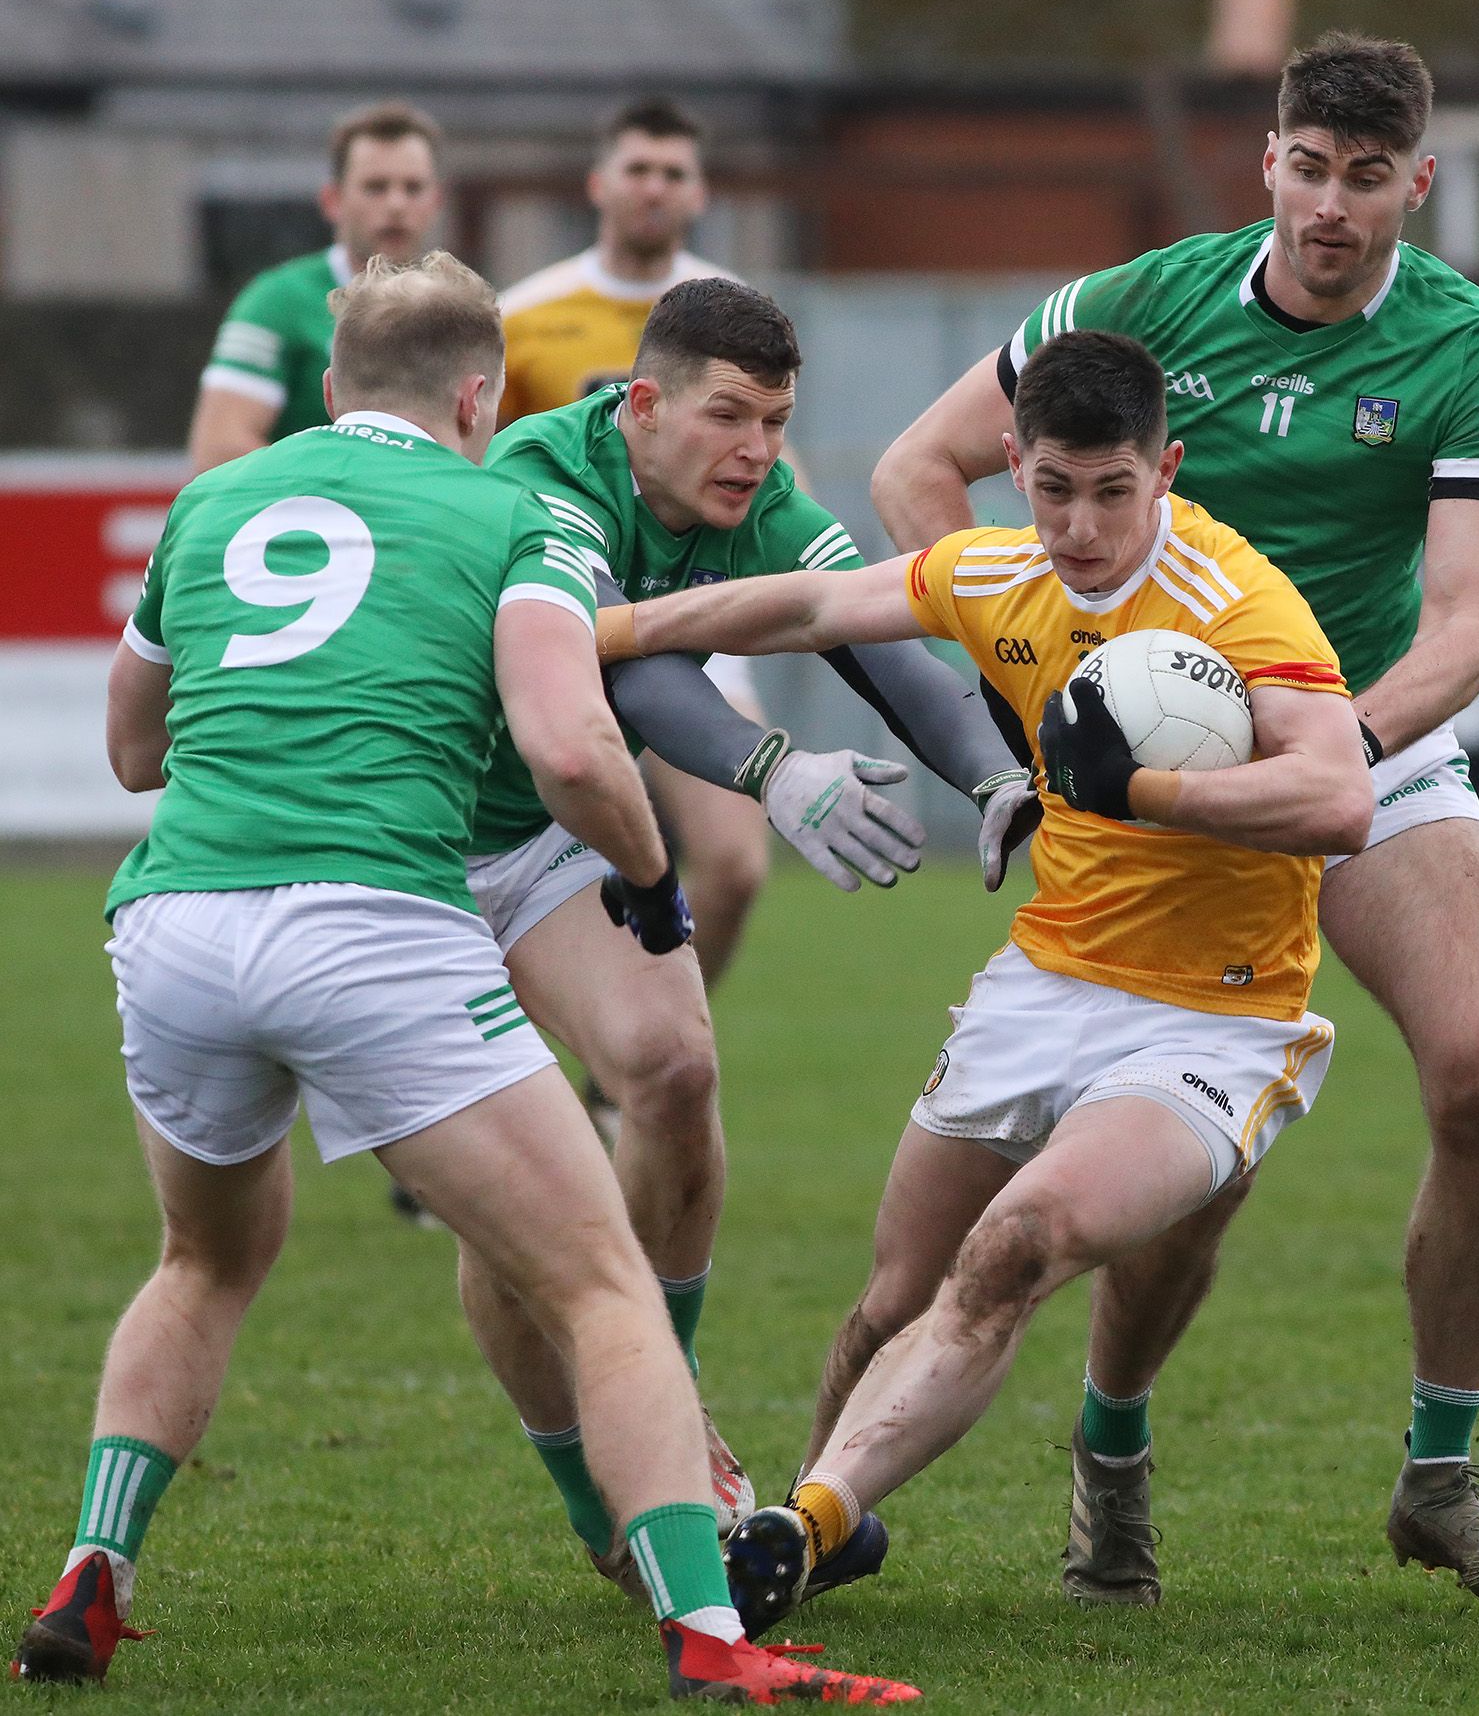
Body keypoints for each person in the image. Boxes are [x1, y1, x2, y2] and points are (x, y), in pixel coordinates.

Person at [12, 253, 915, 1704]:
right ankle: (713, 1640)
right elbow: (570, 749)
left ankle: (93, 1569)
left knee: (203, 1262)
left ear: (328, 385)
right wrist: (650, 876)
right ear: (479, 394)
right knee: (604, 1283)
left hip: (174, 923)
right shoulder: (509, 509)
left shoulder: (215, 499)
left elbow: (133, 751)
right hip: (371, 923)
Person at [862, 29, 1479, 1610]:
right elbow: (921, 471)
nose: (1330, 207)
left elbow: (1465, 632)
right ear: (1268, 162)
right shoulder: (1147, 303)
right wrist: (1038, 733)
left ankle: (1440, 1478)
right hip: (1137, 776)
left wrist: (1316, 755)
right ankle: (1112, 1456)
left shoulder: (1476, 349)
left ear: (1417, 186)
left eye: (1367, 179)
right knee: (1196, 1167)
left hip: (1367, 741)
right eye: (1307, 169)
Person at [594, 329, 1372, 1635]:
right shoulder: (997, 569)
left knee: (1018, 1246)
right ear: (1011, 466)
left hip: (1214, 1019)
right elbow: (800, 606)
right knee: (890, 1301)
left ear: (1165, 470)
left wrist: (1149, 788)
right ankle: (803, 1525)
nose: (1077, 526)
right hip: (1043, 984)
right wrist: (601, 629)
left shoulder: (1239, 603)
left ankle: (805, 1520)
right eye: (1051, 488)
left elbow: (1339, 795)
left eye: (1111, 491)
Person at [462, 274, 1035, 1581]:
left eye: (777, 421)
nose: (759, 453)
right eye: (731, 418)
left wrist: (994, 773)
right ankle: (610, 1494)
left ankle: (667, 1417)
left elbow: (877, 635)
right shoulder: (541, 474)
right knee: (506, 1208)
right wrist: (775, 769)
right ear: (643, 404)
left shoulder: (762, 500)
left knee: (675, 1072)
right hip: (423, 847)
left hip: (554, 838)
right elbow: (621, 663)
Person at [498, 97, 772, 1006]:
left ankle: (643, 1066)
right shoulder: (528, 315)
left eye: (674, 173)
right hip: (555, 607)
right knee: (508, 870)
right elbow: (479, 470)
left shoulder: (734, 313)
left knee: (733, 864)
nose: (654, 188)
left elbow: (774, 470)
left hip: (689, 602)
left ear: (699, 194)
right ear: (599, 184)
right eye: (638, 169)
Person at [188, 103, 442, 474]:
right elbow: (218, 448)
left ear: (437, 201)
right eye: (376, 187)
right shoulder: (277, 303)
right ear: (332, 201)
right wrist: (347, 496)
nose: (396, 204)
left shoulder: (462, 309)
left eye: (413, 187)